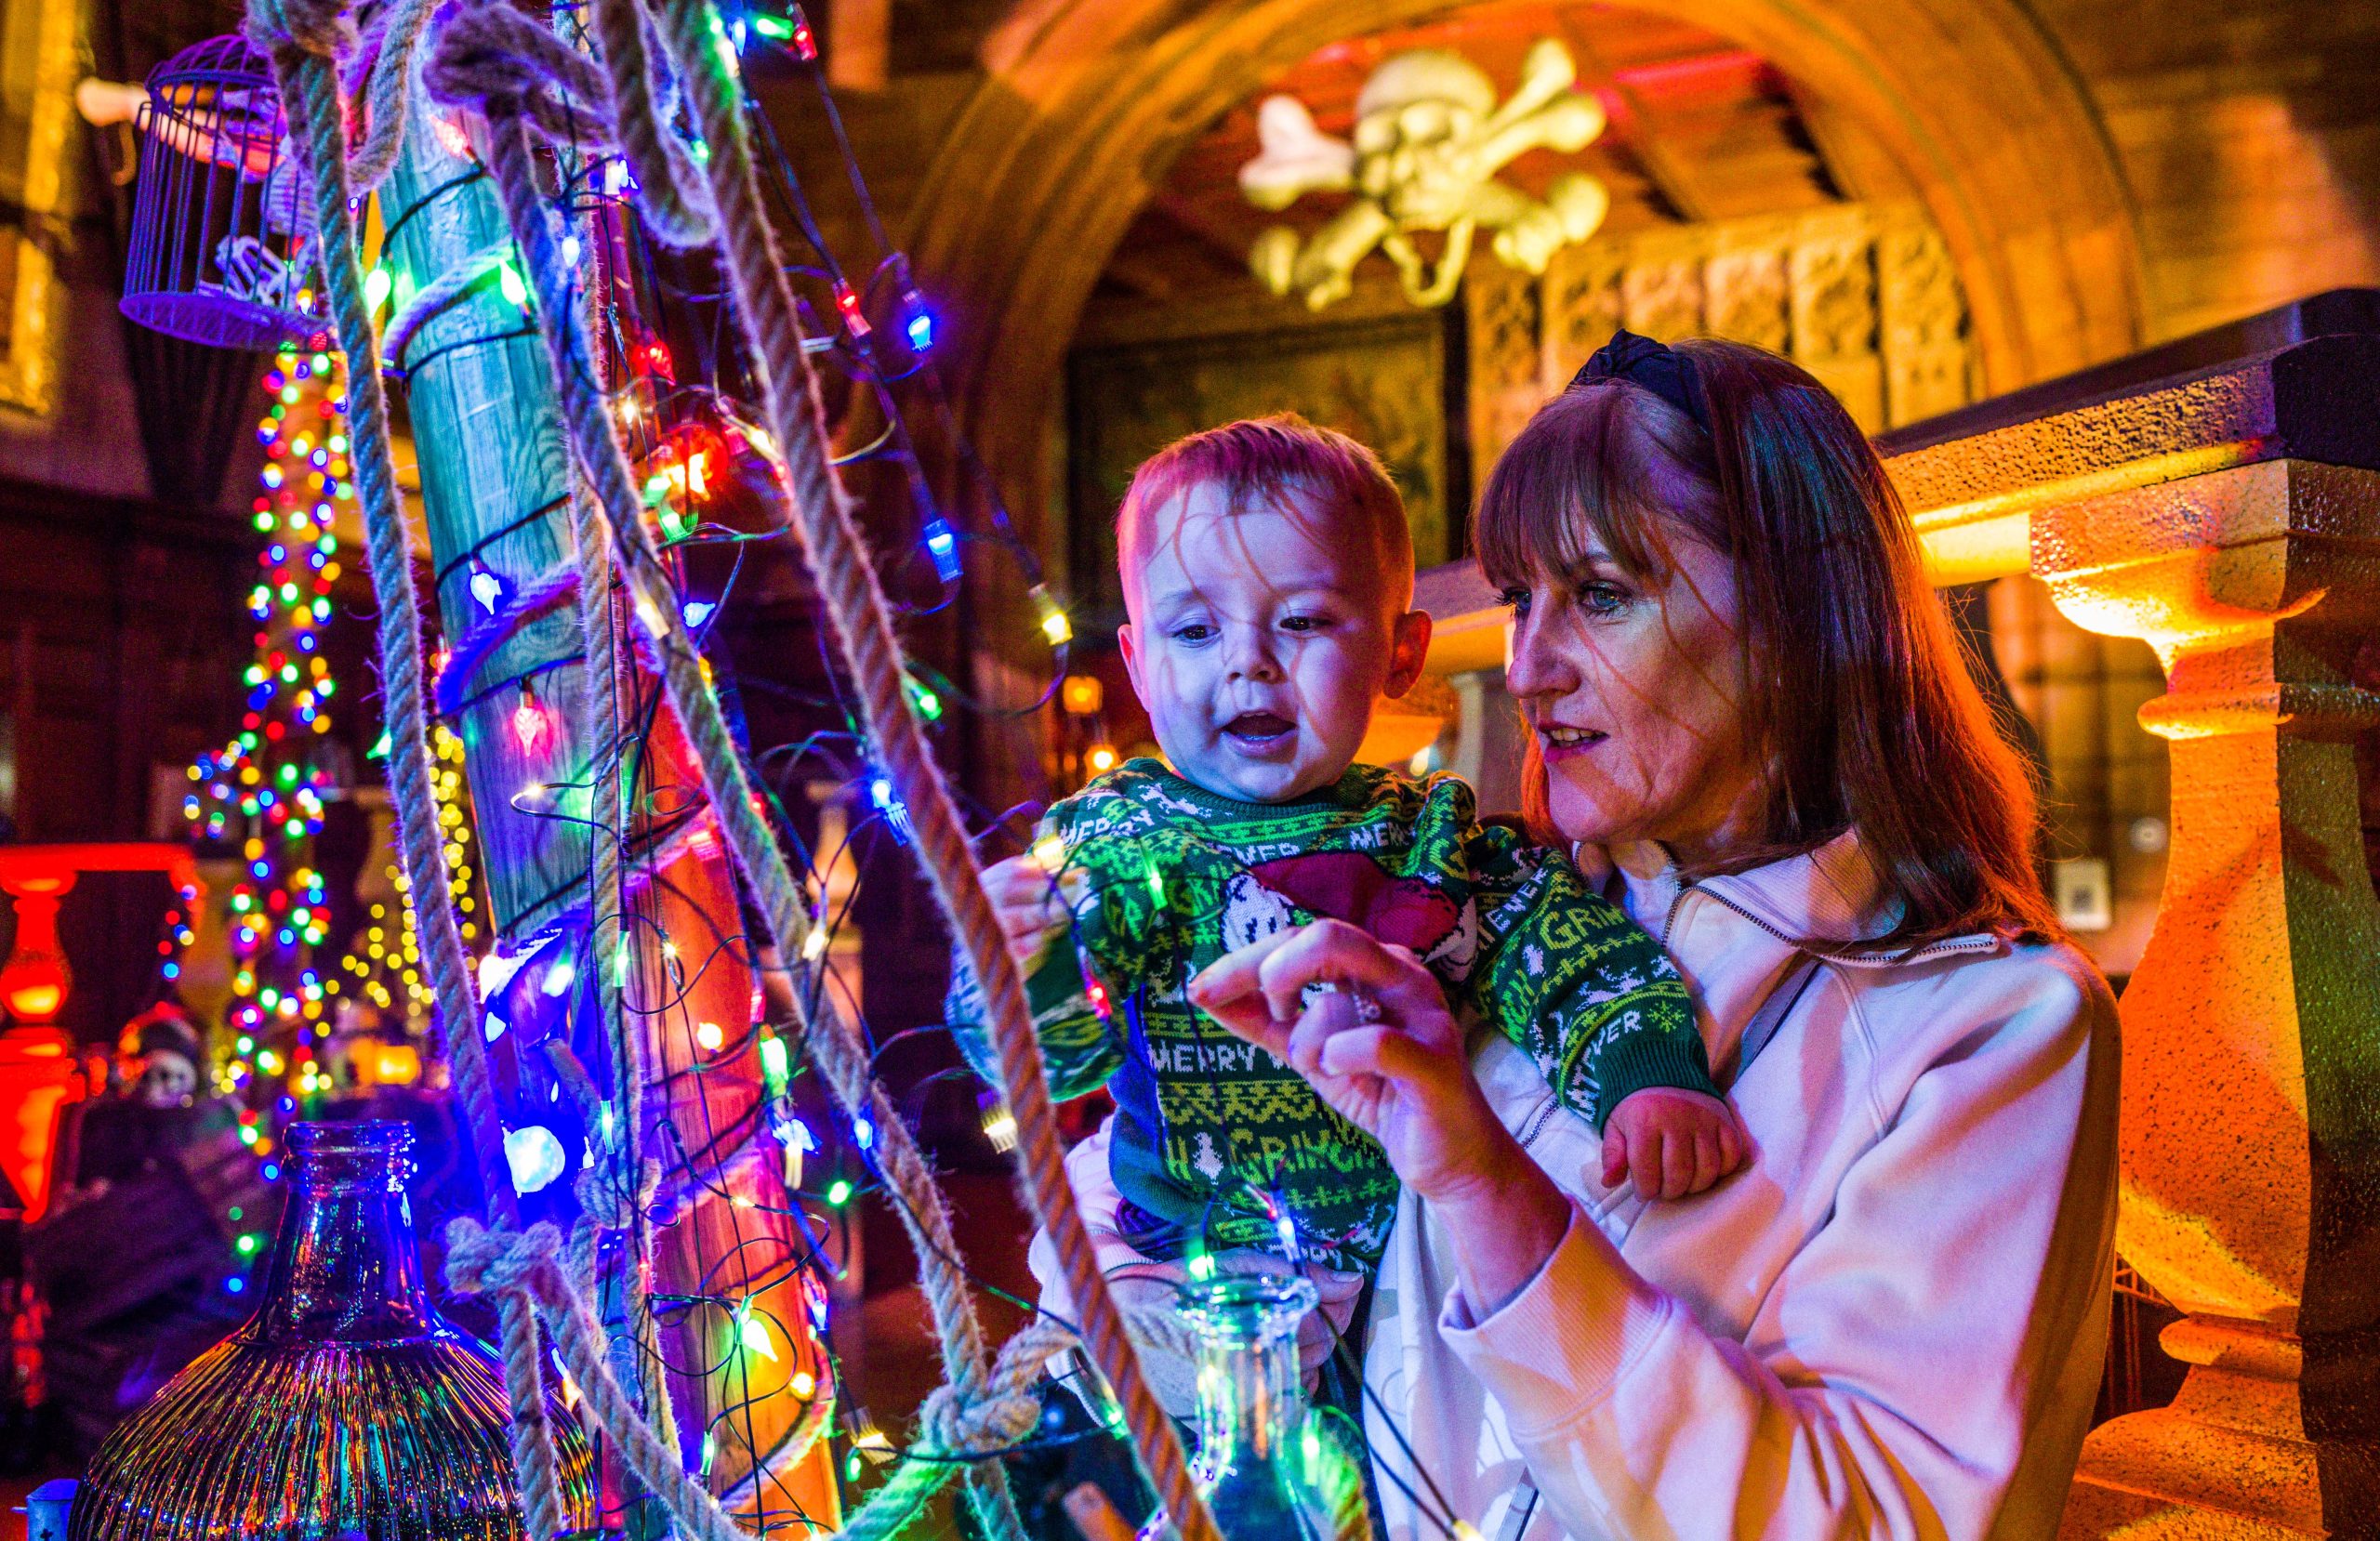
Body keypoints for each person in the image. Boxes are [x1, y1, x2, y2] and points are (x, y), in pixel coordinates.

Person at [1056, 333, 2119, 1538]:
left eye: (1602, 595)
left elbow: (1884, 1517)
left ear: (1796, 616)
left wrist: (1481, 1180)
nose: (1525, 663)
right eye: (1521, 599)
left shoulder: (1994, 1029)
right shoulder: (1503, 918)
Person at [948, 415, 1742, 1327]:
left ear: (1399, 653)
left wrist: (1645, 1075)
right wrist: (1028, 965)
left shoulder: (1432, 841)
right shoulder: (1114, 844)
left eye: (1301, 621)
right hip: (1181, 1254)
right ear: (1139, 661)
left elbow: (1567, 958)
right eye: (1195, 629)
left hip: (1404, 1261)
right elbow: (1052, 1064)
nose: (1247, 660)